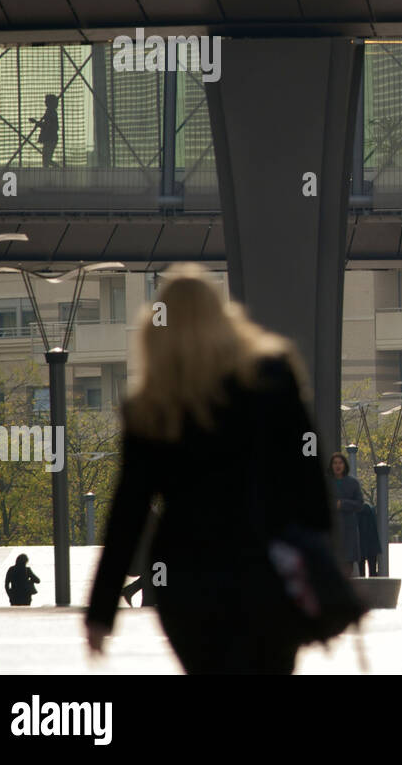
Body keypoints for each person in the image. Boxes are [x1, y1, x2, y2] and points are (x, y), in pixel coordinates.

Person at [85, 263, 334, 675]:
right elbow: (308, 479)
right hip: (267, 570)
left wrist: (101, 611)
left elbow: (128, 511)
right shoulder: (273, 375)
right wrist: (324, 565)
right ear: (224, 316)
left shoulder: (153, 404)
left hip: (188, 580)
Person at [330, 452, 364, 576]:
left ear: (344, 465)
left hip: (348, 528)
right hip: (331, 528)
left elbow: (360, 503)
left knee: (347, 562)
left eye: (340, 463)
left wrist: (342, 504)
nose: (337, 466)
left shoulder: (353, 482)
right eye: (335, 463)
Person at [30, 94, 58, 167]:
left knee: (46, 160)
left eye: (46, 101)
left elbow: (47, 126)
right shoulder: (51, 112)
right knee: (46, 159)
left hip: (50, 139)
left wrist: (36, 122)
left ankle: (57, 168)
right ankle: (56, 168)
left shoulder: (51, 113)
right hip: (51, 139)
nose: (44, 102)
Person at [357, 502, 380, 577]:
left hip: (360, 544)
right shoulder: (371, 511)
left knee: (361, 570)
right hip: (372, 544)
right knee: (372, 569)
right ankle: (373, 585)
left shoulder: (358, 513)